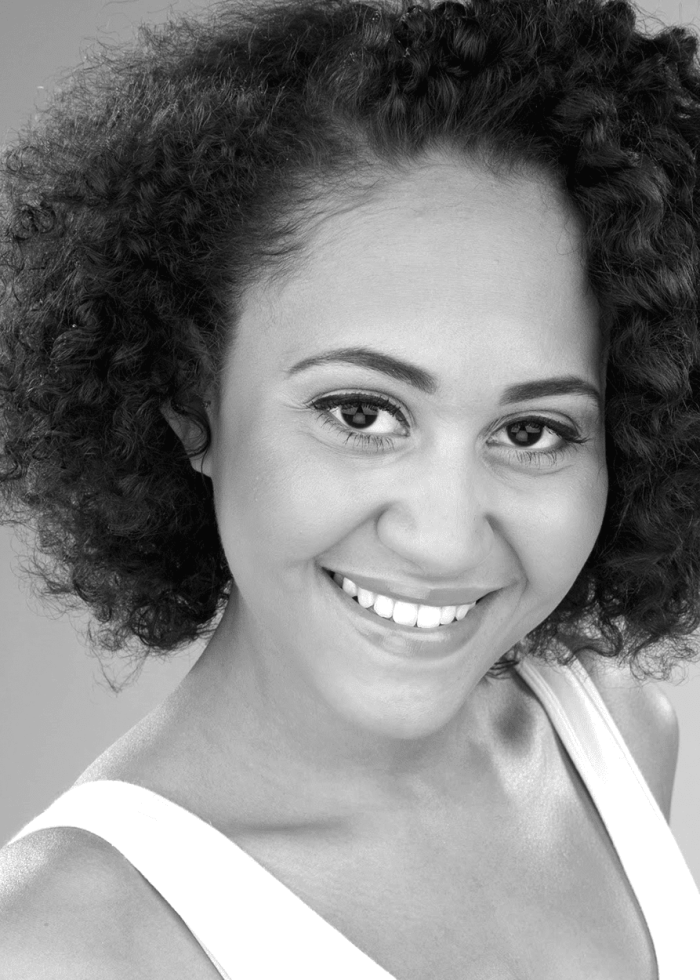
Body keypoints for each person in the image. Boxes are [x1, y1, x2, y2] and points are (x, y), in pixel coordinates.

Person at [0, 0, 699, 975]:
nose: (444, 534)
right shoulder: (68, 940)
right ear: (190, 402)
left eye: (531, 429)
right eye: (362, 413)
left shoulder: (614, 736)